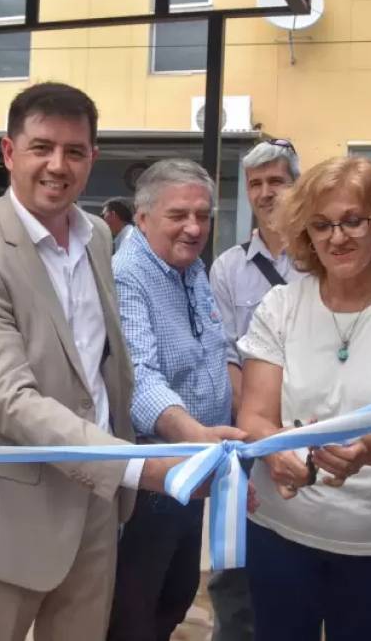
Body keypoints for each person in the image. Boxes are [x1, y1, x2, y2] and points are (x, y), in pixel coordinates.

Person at [0, 82, 185, 641]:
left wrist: (181, 430)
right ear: (8, 152)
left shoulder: (95, 235)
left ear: (93, 157)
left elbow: (106, 366)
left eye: (74, 151)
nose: (57, 165)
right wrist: (140, 468)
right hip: (7, 514)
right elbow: (8, 398)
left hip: (96, 506)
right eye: (41, 147)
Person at [237, 156, 371, 641]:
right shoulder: (281, 305)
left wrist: (363, 450)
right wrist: (278, 451)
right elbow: (254, 414)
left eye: (353, 220)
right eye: (321, 225)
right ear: (305, 234)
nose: (337, 237)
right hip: (281, 536)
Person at [107, 159, 243, 641]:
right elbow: (137, 378)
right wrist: (196, 435)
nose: (194, 227)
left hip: (199, 467)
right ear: (143, 218)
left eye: (203, 215)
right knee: (135, 609)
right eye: (179, 214)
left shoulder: (192, 267)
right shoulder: (127, 275)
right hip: (154, 477)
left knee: (178, 593)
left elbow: (218, 348)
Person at [206, 138, 302, 641]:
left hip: (310, 432)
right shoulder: (227, 267)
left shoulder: (322, 259)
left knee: (299, 554)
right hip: (245, 437)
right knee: (235, 561)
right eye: (256, 184)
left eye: (276, 181)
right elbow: (224, 352)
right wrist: (254, 432)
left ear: (297, 185)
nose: (266, 193)